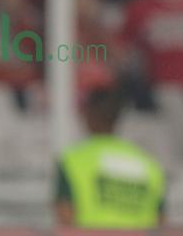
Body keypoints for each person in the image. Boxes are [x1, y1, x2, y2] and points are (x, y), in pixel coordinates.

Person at [55, 86, 167, 228]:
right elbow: (161, 223)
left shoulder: (72, 160)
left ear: (88, 115)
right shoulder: (149, 164)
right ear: (117, 118)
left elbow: (65, 215)